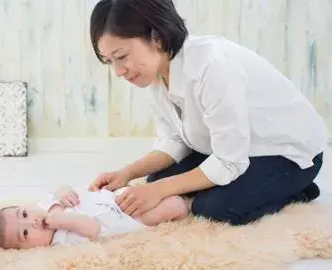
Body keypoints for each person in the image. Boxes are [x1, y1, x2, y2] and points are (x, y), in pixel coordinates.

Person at [88, 0, 328, 226]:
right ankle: (265, 188)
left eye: (121, 57)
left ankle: (299, 189)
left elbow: (229, 161)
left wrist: (160, 190)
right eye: (109, 61)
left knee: (214, 207)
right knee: (155, 180)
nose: (118, 71)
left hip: (290, 154)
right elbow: (174, 140)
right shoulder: (155, 76)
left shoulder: (213, 67)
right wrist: (127, 173)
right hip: (235, 148)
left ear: (157, 38)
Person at [0, 184, 191, 249]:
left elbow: (61, 189)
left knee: (155, 188)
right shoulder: (60, 241)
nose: (32, 222)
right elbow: (92, 228)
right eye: (25, 232)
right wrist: (61, 220)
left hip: (114, 198)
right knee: (176, 205)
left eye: (23, 214)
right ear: (27, 249)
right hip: (126, 221)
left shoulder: (45, 206)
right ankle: (191, 202)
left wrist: (63, 192)